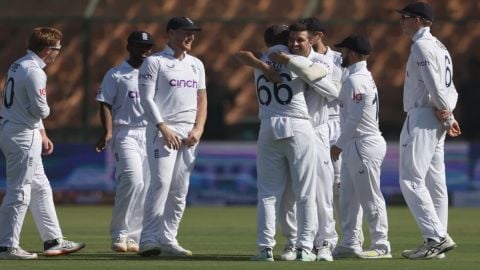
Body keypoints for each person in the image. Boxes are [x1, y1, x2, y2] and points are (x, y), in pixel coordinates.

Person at [0, 27, 85, 260]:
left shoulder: (18, 64)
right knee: (20, 190)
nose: (58, 53)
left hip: (19, 129)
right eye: (58, 48)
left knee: (41, 187)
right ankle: (7, 246)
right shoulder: (35, 71)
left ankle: (53, 241)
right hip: (22, 135)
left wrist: (43, 133)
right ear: (48, 50)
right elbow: (40, 109)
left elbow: (26, 105)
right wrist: (45, 114)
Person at [137, 16, 207, 257]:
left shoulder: (196, 64)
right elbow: (146, 98)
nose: (191, 37)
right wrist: (163, 127)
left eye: (193, 32)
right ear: (171, 33)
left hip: (189, 133)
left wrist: (198, 129)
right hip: (163, 131)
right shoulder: (155, 62)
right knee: (161, 183)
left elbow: (201, 99)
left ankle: (168, 239)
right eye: (186, 32)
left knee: (180, 189)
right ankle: (147, 239)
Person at [396, 2, 460, 259]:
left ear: (419, 20)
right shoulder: (440, 46)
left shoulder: (421, 45)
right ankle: (436, 244)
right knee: (435, 183)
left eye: (405, 17)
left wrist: (444, 111)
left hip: (424, 115)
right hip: (435, 115)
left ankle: (437, 237)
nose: (401, 21)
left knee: (410, 179)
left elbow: (435, 84)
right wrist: (448, 113)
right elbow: (450, 87)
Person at [302, 17, 365, 259]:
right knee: (318, 186)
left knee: (343, 186)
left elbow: (346, 92)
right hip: (315, 125)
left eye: (307, 35)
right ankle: (322, 240)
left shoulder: (341, 59)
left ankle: (353, 237)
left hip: (338, 123)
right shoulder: (302, 60)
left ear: (317, 35)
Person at [331, 35, 392, 259]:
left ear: (354, 54)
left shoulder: (357, 81)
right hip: (356, 144)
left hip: (363, 143)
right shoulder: (359, 77)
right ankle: (349, 242)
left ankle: (381, 245)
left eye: (344, 51)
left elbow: (354, 117)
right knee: (348, 197)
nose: (341, 55)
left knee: (370, 197)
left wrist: (338, 145)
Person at [95, 30, 155, 253]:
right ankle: (119, 233)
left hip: (151, 133)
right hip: (126, 132)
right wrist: (107, 131)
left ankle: (134, 236)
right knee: (133, 180)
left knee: (146, 186)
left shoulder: (155, 72)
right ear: (129, 47)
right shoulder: (116, 74)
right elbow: (104, 102)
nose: (145, 51)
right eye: (140, 46)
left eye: (149, 47)